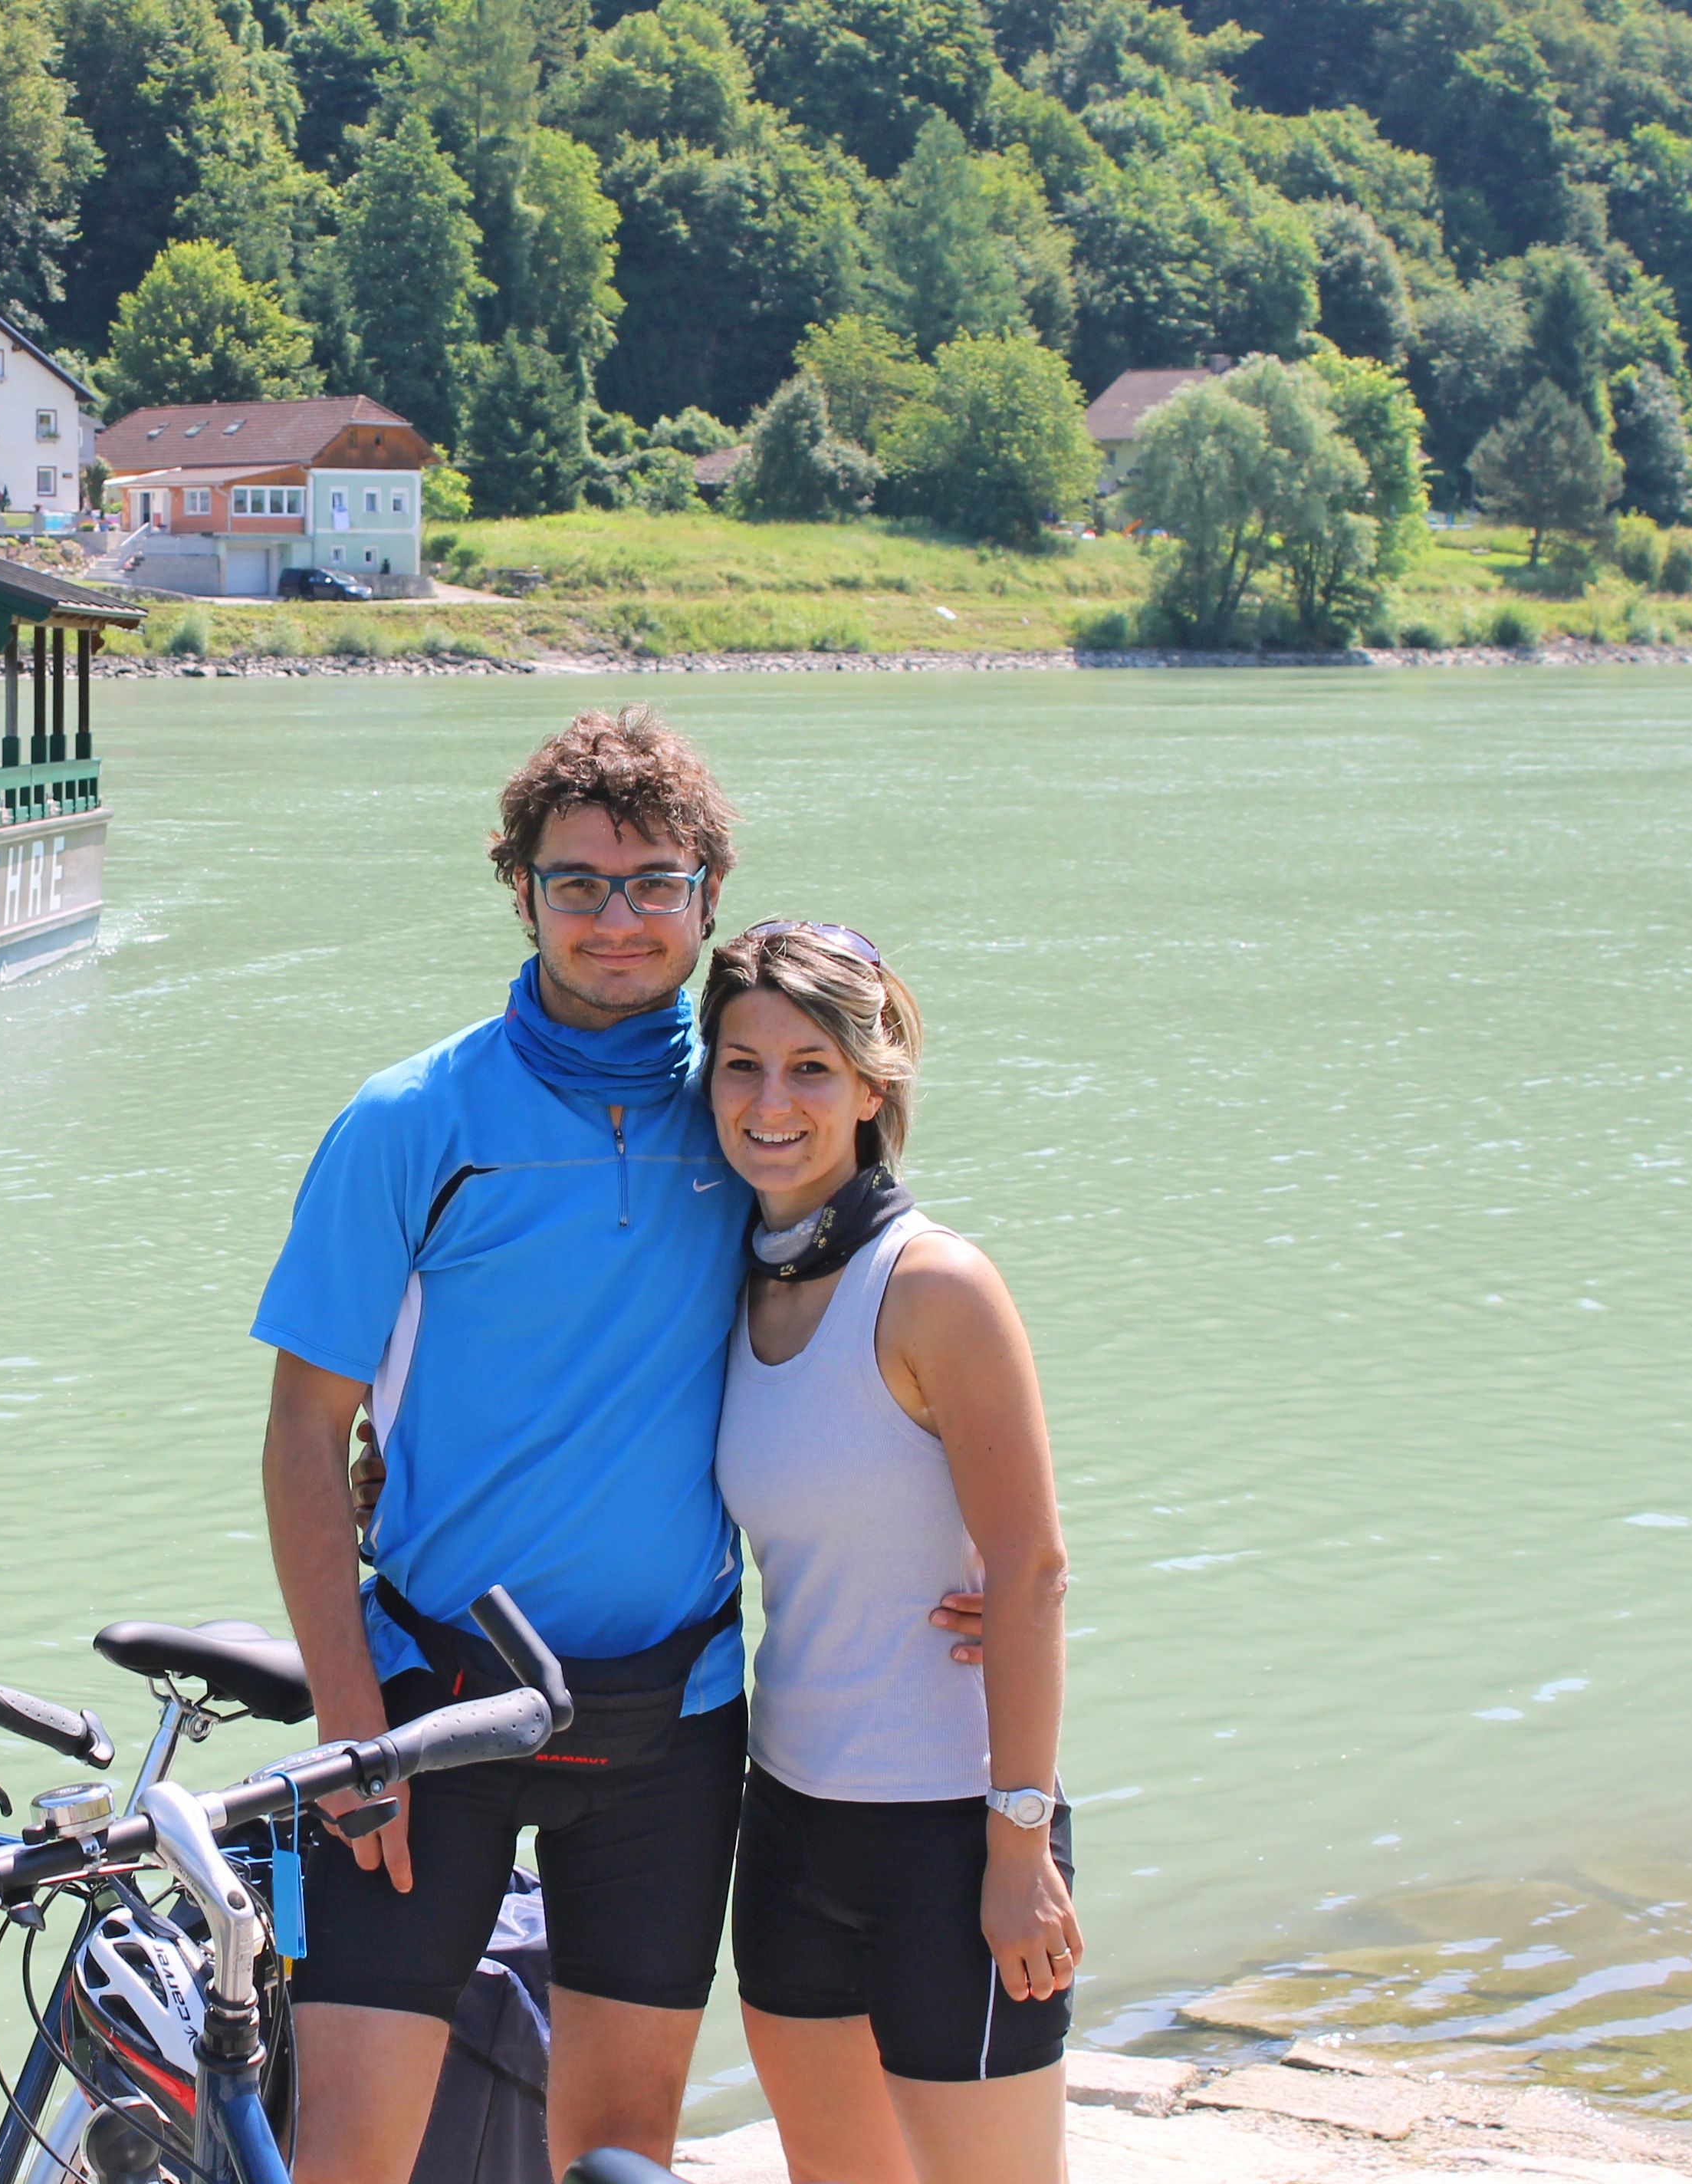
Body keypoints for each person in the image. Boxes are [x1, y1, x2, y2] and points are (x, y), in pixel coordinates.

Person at [252, 707, 753, 2182]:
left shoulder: (754, 1114)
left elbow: (869, 1356)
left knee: (619, 2152)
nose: (618, 918)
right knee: (350, 2143)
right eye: (577, 883)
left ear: (709, 894)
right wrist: (351, 1728)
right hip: (430, 1703)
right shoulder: (414, 1118)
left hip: (676, 1708)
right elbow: (302, 1440)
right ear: (518, 889)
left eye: (655, 882)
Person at [704, 922, 1082, 2184]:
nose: (771, 1102)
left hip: (955, 1838)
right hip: (792, 1826)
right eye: (741, 1065)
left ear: (876, 1085)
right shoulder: (734, 1285)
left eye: (811, 1067)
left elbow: (1030, 1569)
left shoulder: (934, 1286)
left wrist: (1018, 1846)